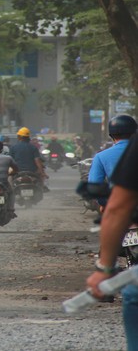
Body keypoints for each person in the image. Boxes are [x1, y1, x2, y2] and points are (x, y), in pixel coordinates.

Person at [86, 133, 138, 350]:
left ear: (110, 134)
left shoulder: (105, 155)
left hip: (126, 210)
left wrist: (104, 268)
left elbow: (96, 186)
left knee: (133, 293)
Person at [88, 115, 137, 208]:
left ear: (111, 136)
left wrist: (105, 204)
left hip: (120, 207)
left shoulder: (101, 156)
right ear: (135, 133)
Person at [10, 127, 49, 191]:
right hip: (32, 172)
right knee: (40, 180)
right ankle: (42, 188)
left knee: (10, 179)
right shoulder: (33, 147)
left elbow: (10, 161)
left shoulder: (13, 147)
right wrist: (42, 173)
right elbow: (37, 161)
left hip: (17, 171)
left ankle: (11, 190)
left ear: (19, 137)